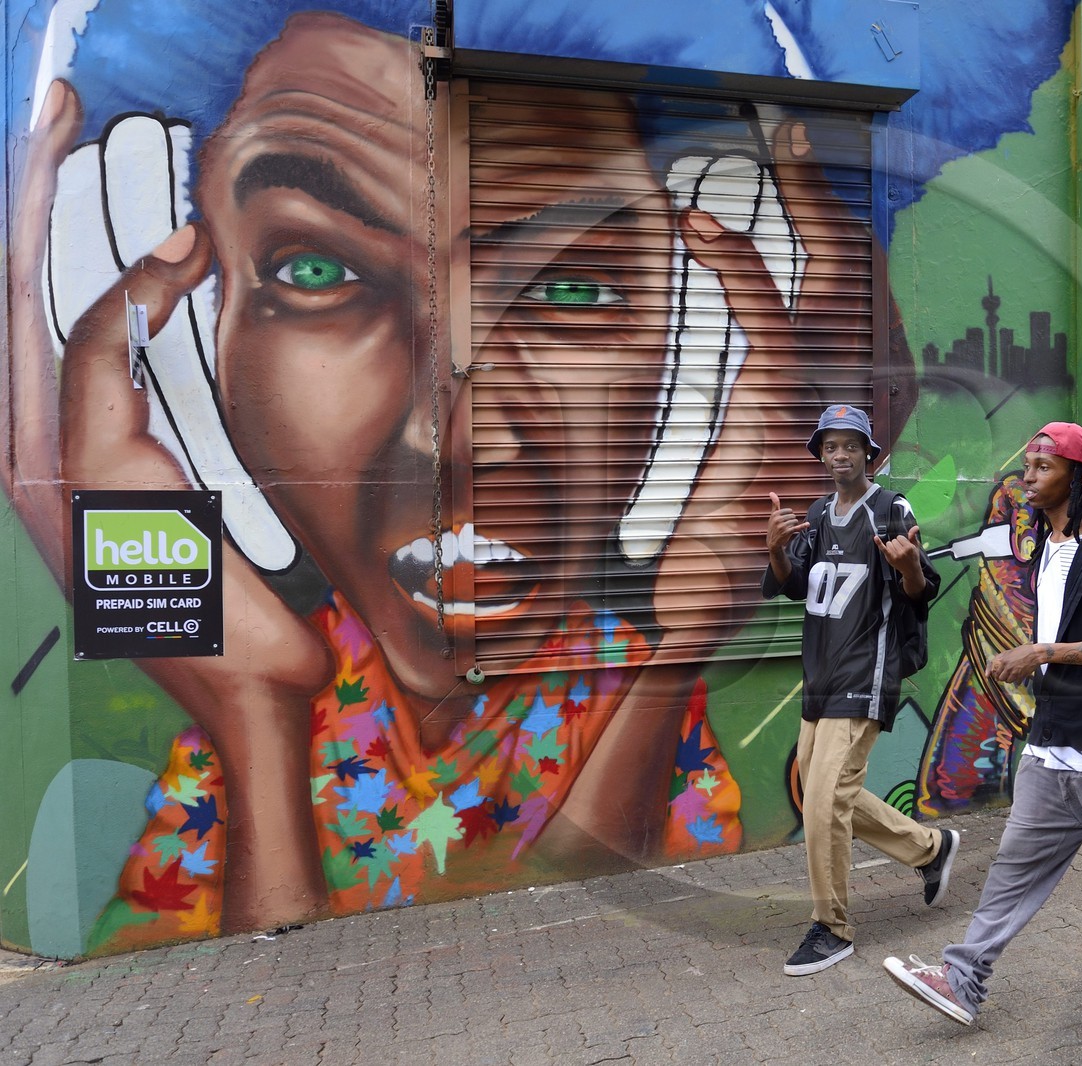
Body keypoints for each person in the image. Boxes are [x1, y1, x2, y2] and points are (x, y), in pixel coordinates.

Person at [6, 7, 879, 949]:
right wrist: (254, 707)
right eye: (314, 267)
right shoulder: (253, 688)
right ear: (198, 367)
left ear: (693, 366)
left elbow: (587, 944)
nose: (457, 434)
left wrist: (683, 644)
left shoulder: (633, 701)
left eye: (572, 290)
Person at [884, 422, 1082, 1023]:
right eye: (1028, 466)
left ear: (1077, 477)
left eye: (1043, 467)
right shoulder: (1046, 544)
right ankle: (963, 977)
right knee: (1014, 866)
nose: (1027, 477)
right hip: (1053, 739)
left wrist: (1040, 654)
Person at [762, 404, 956, 976]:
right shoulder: (819, 514)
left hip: (865, 672)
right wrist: (774, 549)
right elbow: (793, 585)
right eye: (830, 445)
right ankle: (930, 849)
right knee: (818, 791)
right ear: (820, 454)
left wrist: (909, 566)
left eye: (852, 445)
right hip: (819, 673)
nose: (840, 454)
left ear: (868, 453)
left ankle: (832, 927)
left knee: (824, 804)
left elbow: (921, 589)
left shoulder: (890, 508)